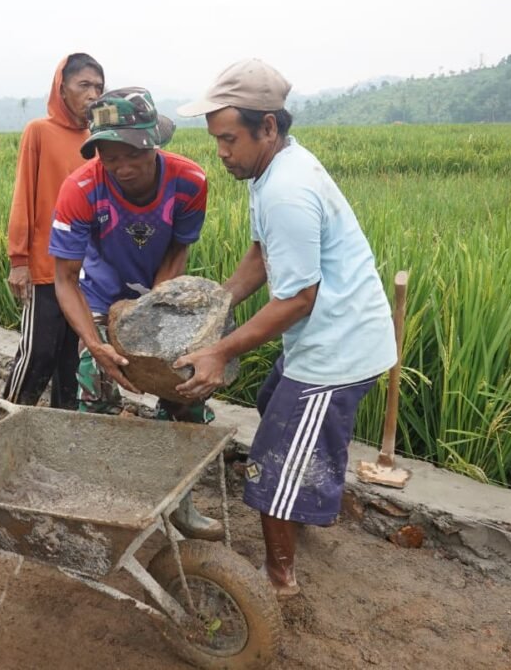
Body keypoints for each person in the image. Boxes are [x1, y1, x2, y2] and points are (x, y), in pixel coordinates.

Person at [174, 59, 396, 597]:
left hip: (338, 347)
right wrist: (219, 303)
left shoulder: (286, 190)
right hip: (325, 335)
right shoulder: (269, 171)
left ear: (268, 126)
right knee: (274, 401)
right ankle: (304, 508)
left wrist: (220, 351)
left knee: (270, 471)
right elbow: (263, 254)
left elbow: (297, 299)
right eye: (215, 140)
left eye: (229, 139)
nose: (221, 152)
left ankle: (281, 585)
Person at [49, 87, 223, 541]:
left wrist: (154, 314)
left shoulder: (190, 182)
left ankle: (181, 504)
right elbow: (64, 278)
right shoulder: (82, 189)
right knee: (96, 403)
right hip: (101, 299)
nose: (122, 167)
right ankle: (103, 512)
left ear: (154, 141)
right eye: (110, 157)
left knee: (186, 396)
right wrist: (95, 341)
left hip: (162, 298)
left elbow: (179, 247)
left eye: (132, 154)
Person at [2, 53, 104, 409]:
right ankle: (9, 416)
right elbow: (24, 196)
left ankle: (62, 432)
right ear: (62, 88)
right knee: (37, 354)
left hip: (83, 274)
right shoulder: (39, 132)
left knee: (71, 364)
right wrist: (19, 260)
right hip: (46, 269)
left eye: (98, 87)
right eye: (84, 85)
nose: (93, 93)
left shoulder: (99, 142)